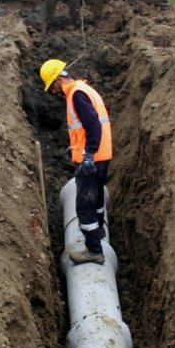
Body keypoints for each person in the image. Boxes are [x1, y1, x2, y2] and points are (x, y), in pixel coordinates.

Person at [40, 59, 113, 264]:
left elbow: (93, 126)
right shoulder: (85, 89)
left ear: (57, 80)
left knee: (84, 206)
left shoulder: (77, 94)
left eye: (52, 88)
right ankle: (98, 236)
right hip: (102, 156)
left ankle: (94, 251)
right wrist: (77, 148)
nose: (54, 93)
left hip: (91, 159)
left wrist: (87, 154)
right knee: (97, 200)